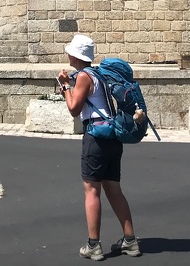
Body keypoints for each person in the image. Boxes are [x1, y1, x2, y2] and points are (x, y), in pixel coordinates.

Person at [57, 34, 140, 261]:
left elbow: (74, 108)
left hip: (96, 137)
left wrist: (65, 86)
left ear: (75, 55)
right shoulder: (100, 75)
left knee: (92, 190)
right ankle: (130, 241)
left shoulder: (84, 76)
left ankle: (94, 245)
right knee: (114, 189)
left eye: (70, 52)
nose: (68, 55)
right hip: (113, 137)